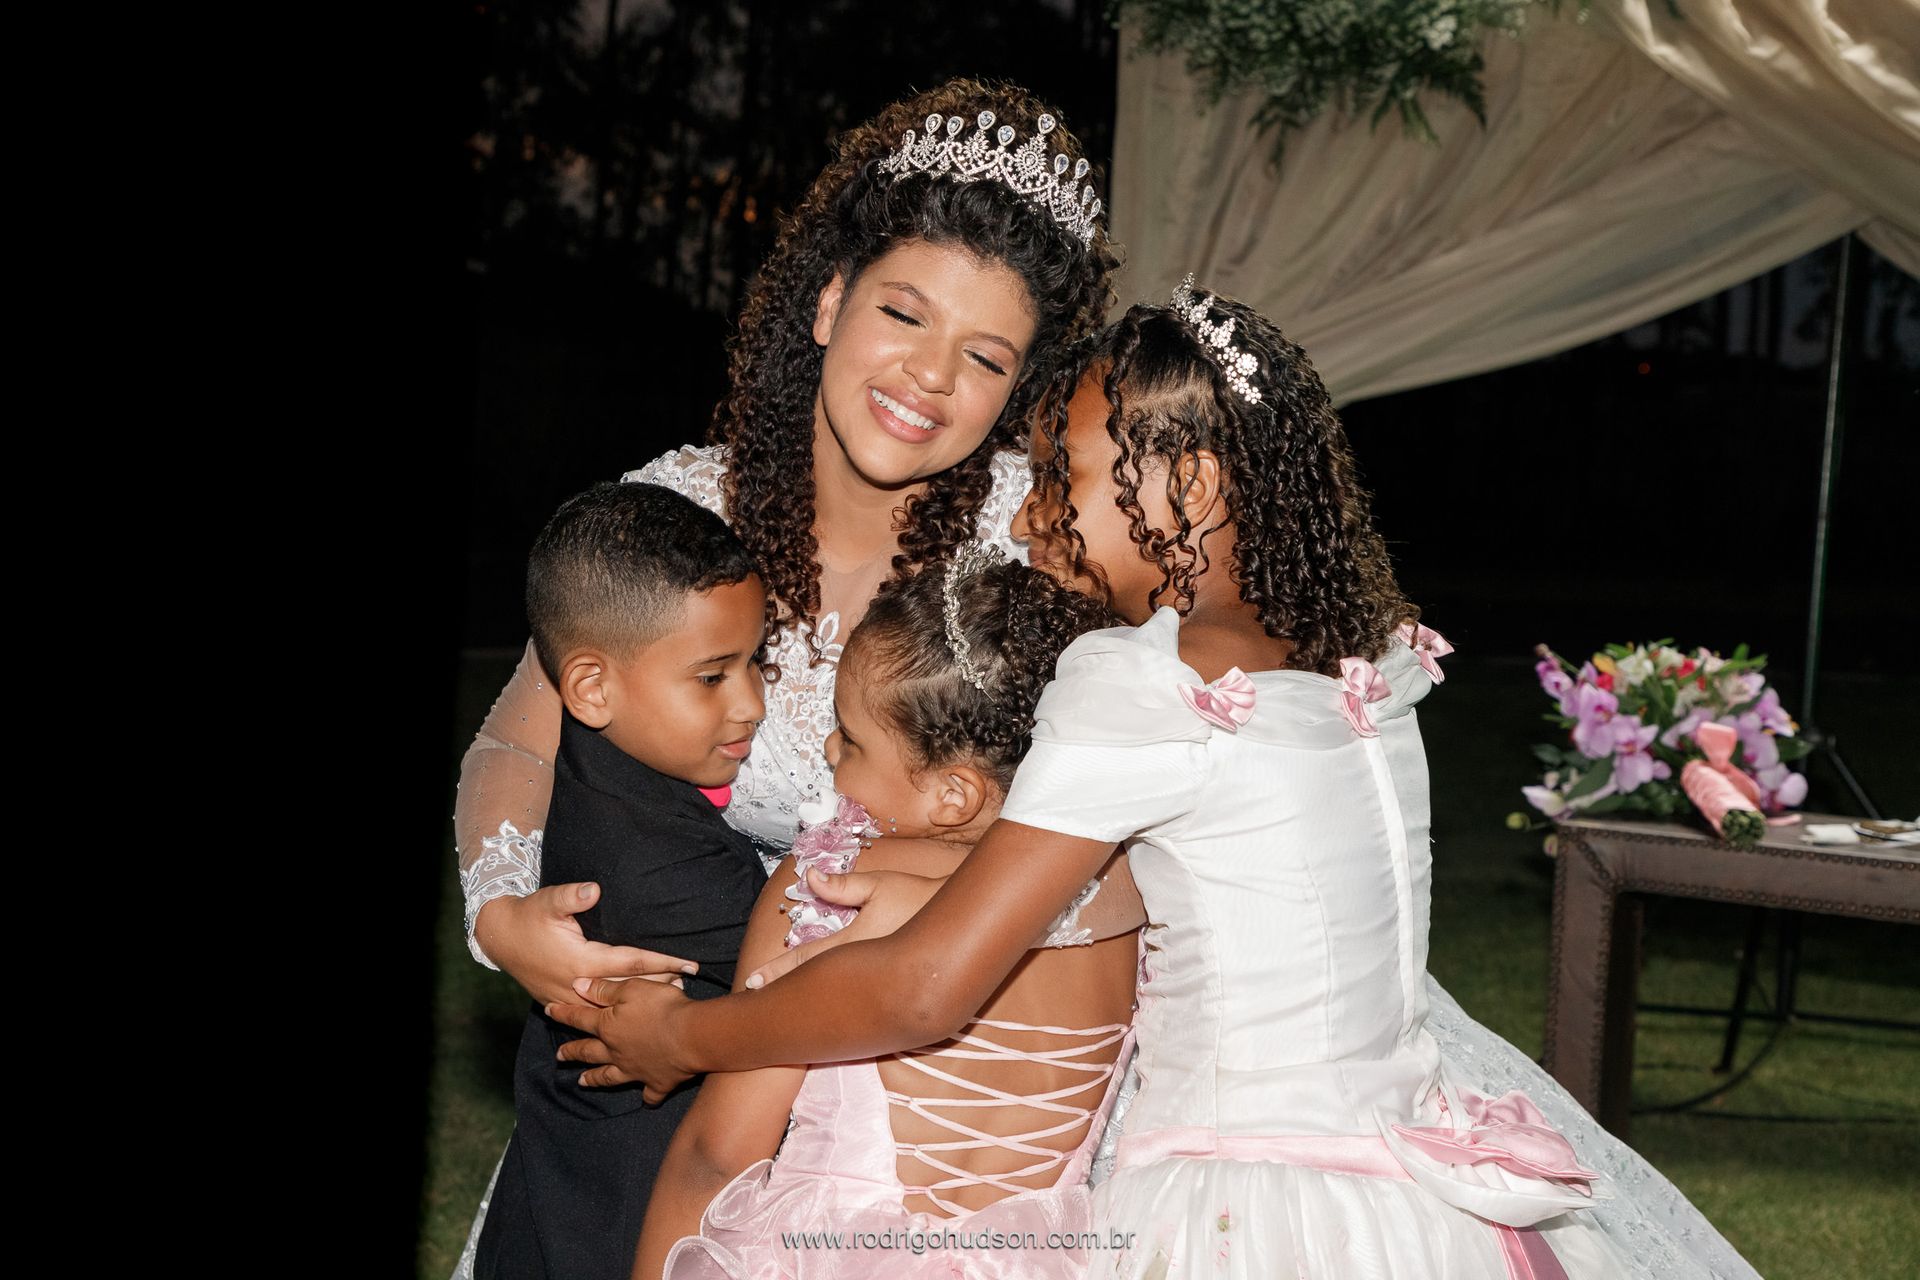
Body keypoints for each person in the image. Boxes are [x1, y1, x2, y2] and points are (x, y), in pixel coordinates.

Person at [549, 286, 1758, 1278]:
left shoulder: (1145, 682)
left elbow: (926, 983)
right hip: (1412, 1200)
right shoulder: (1366, 661)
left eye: (1063, 481)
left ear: (1189, 484)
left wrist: (690, 1032)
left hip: (1246, 1208)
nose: (1030, 522)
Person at [449, 79, 1123, 1276]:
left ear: (1015, 391)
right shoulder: (685, 510)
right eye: (902, 314)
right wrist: (502, 912)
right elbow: (519, 735)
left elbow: (1094, 843)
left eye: (982, 356)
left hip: (916, 1087)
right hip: (669, 1053)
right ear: (827, 301)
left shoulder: (1030, 567)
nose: (926, 376)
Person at [635, 553, 1139, 1280]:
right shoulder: (1114, 903)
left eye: (854, 738)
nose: (830, 750)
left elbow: (720, 1152)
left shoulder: (836, 882)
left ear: (952, 797)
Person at [474, 483, 772, 1280]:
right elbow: (815, 983)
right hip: (622, 1213)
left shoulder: (589, 781)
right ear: (591, 689)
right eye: (713, 677)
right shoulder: (666, 875)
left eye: (756, 663)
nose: (753, 703)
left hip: (562, 1175)